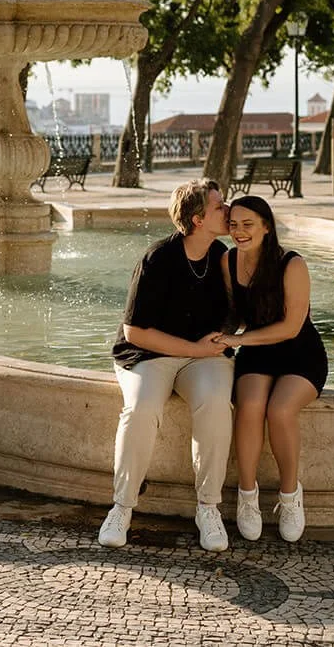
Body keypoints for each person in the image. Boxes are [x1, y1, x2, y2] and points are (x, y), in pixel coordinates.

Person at [99, 179, 235, 552]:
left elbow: (236, 315)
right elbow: (135, 332)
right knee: (141, 408)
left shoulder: (222, 257)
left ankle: (208, 508)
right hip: (148, 354)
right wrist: (194, 347)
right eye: (219, 206)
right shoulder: (157, 258)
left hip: (202, 358)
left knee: (215, 405)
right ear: (196, 220)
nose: (228, 210)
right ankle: (122, 507)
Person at [213, 195, 327, 543]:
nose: (239, 232)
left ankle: (290, 496)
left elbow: (292, 327)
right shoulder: (228, 260)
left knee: (279, 410)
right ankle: (247, 496)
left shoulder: (292, 264)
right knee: (248, 407)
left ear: (267, 226)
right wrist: (217, 338)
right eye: (233, 225)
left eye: (248, 225)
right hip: (257, 351)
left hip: (300, 353)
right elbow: (235, 313)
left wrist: (237, 342)